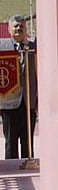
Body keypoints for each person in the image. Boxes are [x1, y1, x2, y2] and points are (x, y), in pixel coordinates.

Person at [0, 15, 37, 160]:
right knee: (11, 142)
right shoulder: (2, 48)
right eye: (15, 26)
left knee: (28, 142)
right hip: (9, 102)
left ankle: (28, 165)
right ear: (9, 29)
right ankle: (12, 168)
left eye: (21, 26)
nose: (19, 28)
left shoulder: (33, 47)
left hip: (29, 101)